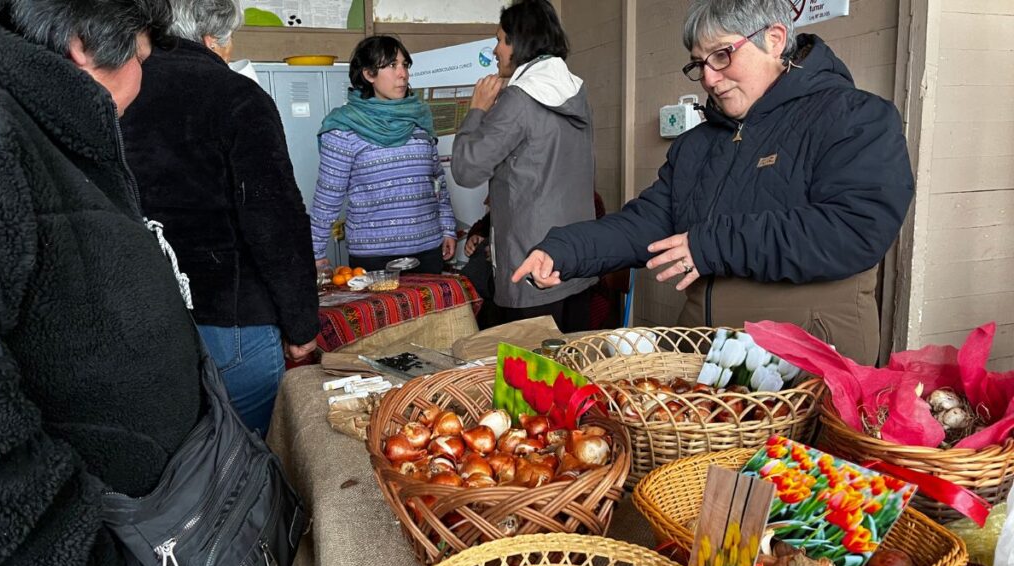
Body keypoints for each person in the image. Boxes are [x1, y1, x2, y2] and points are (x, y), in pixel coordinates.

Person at [514, 0, 914, 365]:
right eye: (698, 64)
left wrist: (710, 245)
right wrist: (565, 250)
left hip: (808, 357)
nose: (708, 77)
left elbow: (853, 230)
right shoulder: (698, 144)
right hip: (704, 352)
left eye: (722, 55)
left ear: (774, 40)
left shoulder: (855, 117)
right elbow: (649, 223)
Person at [0, 0, 205, 566]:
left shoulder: (50, 123)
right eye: (141, 56)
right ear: (86, 44)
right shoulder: (1, 134)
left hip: (145, 524)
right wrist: (76, 551)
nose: (143, 76)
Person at [121, 0, 319, 436]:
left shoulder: (120, 88)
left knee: (182, 460)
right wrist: (302, 323)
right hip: (232, 320)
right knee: (247, 461)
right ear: (213, 40)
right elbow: (275, 220)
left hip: (146, 315)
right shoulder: (236, 95)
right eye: (229, 44)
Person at [451, 0, 597, 333]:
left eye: (501, 39)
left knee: (528, 380)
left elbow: (466, 170)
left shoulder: (519, 98)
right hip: (576, 262)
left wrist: (476, 110)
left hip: (531, 270)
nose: (496, 49)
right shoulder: (577, 92)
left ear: (521, 41)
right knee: (571, 371)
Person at [310, 35, 457, 275]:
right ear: (369, 74)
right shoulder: (343, 129)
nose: (402, 74)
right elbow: (327, 199)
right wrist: (315, 253)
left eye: (405, 65)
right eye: (391, 65)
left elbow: (437, 181)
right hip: (374, 257)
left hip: (428, 250)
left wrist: (448, 228)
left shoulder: (419, 121)